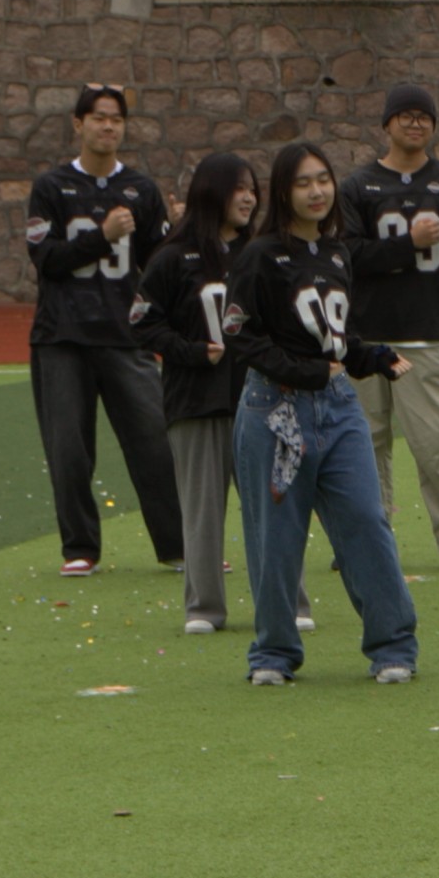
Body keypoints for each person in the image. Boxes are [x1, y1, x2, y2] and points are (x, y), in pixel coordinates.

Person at [224, 141, 419, 686]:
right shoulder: (260, 255)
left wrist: (371, 357)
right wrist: (304, 370)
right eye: (303, 182)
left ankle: (393, 646)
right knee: (275, 540)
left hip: (338, 409)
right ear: (283, 191)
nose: (317, 191)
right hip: (274, 411)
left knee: (367, 522)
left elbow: (337, 336)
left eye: (324, 180)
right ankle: (273, 654)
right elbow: (239, 333)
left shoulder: (336, 253)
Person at [22, 83, 183, 580]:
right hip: (62, 336)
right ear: (79, 124)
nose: (108, 126)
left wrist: (179, 231)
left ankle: (178, 546)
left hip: (124, 335)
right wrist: (102, 237)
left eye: (116, 119)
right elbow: (46, 258)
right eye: (98, 117)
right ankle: (80, 547)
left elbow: (160, 266)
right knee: (69, 450)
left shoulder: (140, 189)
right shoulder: (51, 187)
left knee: (155, 442)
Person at [337, 84, 439, 575]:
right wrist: (408, 243)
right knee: (363, 444)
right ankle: (362, 539)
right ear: (386, 124)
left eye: (423, 116)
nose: (415, 123)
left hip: (425, 330)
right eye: (405, 115)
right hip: (365, 335)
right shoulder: (357, 187)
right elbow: (348, 255)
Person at [135, 151, 263, 637]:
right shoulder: (173, 257)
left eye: (252, 189)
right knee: (202, 512)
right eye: (238, 189)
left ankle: (285, 601)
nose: (249, 198)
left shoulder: (263, 253)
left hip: (258, 401)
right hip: (195, 402)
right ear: (213, 193)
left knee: (272, 509)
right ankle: (204, 607)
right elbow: (143, 322)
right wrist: (188, 352)